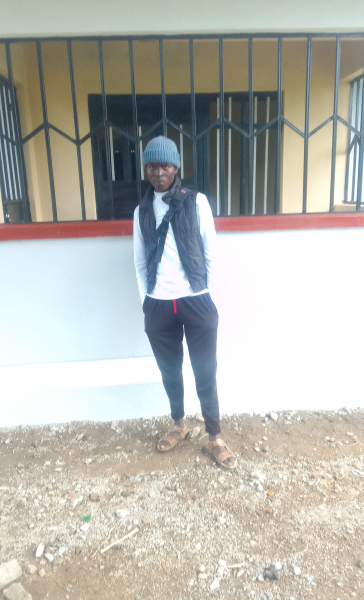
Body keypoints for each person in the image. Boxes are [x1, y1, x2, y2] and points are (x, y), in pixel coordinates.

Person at [133, 136, 236, 470]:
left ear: (176, 167)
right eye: (152, 166)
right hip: (159, 305)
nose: (158, 172)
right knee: (170, 371)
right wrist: (146, 301)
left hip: (195, 301)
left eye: (164, 165)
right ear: (146, 169)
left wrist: (208, 296)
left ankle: (214, 436)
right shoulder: (141, 211)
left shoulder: (196, 202)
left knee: (205, 370)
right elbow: (139, 262)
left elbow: (211, 252)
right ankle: (179, 424)